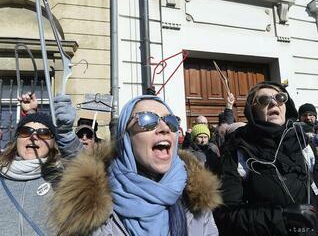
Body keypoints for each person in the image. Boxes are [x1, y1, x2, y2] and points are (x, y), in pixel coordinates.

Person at [50, 95, 222, 236]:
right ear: (126, 137)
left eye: (170, 121)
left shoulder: (196, 198)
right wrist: (66, 135)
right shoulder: (93, 203)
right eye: (147, 119)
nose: (164, 128)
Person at [214, 81, 318, 236]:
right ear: (253, 110)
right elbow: (226, 215)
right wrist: (284, 217)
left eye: (280, 97)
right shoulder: (238, 149)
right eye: (264, 100)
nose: (274, 102)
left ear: (285, 105)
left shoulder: (303, 142)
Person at [0, 93, 79, 236]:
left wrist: (66, 134)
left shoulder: (63, 177)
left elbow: (88, 172)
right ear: (16, 139)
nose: (33, 136)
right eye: (26, 131)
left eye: (43, 133)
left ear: (53, 142)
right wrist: (30, 113)